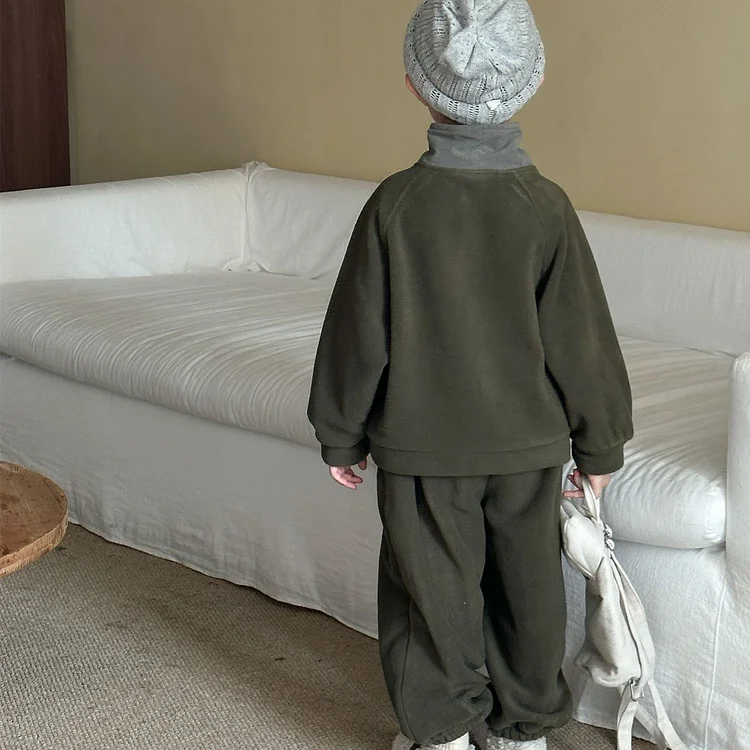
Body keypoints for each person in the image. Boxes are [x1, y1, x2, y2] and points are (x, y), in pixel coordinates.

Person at [307, 1, 633, 748]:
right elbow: (582, 339)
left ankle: (445, 731)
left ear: (415, 84)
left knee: (430, 593)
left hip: (423, 452)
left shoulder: (395, 204)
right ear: (532, 81)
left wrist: (340, 433)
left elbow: (357, 333)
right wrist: (601, 445)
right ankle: (523, 731)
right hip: (527, 451)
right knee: (529, 590)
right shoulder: (545, 206)